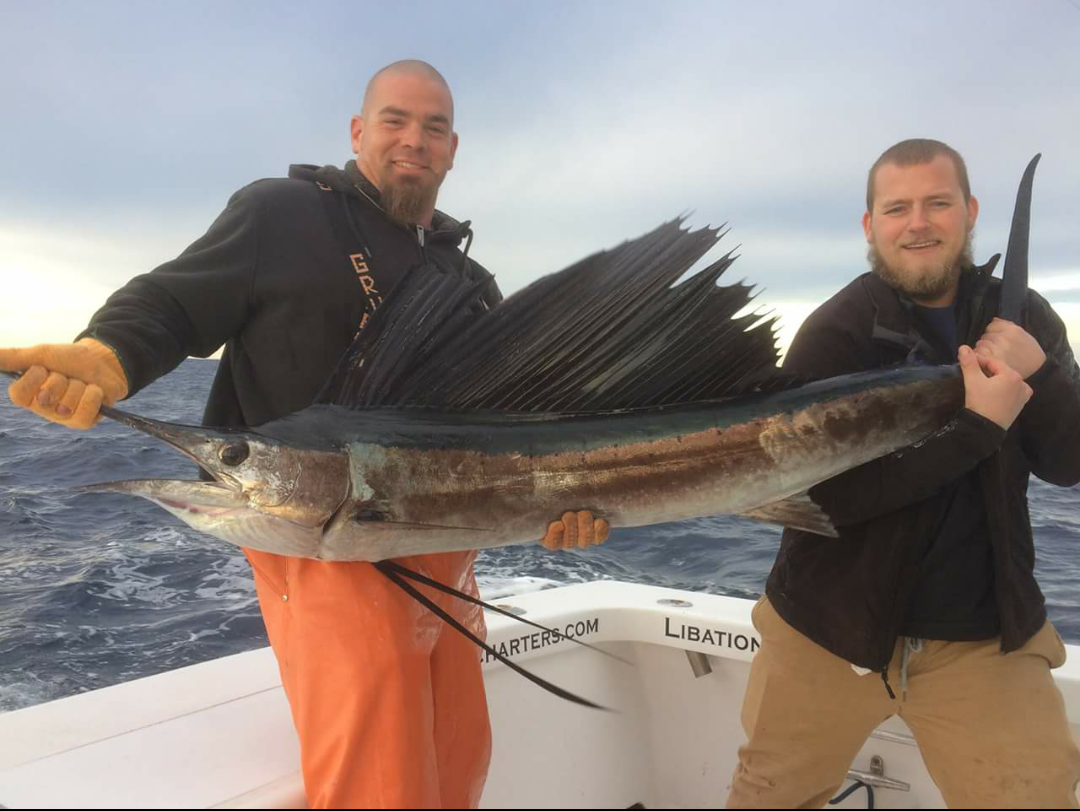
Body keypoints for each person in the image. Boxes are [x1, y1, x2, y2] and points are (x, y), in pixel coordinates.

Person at [0, 60, 608, 809]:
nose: (413, 139)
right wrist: (107, 355)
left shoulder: (470, 282)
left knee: (459, 763)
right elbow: (173, 303)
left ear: (453, 150)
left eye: (434, 126)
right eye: (395, 119)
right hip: (330, 547)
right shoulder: (281, 214)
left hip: (449, 553)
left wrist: (560, 507)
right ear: (359, 131)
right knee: (381, 788)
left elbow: (525, 434)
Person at [726, 138, 1080, 808]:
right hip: (823, 632)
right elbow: (829, 498)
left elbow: (1069, 463)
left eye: (937, 203)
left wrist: (1045, 375)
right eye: (898, 207)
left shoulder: (1025, 317)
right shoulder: (837, 331)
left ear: (969, 212)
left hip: (982, 640)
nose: (918, 221)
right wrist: (978, 429)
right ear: (871, 225)